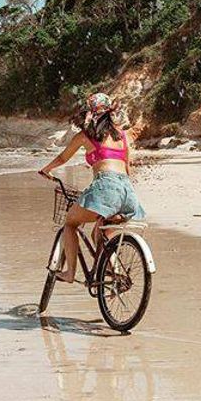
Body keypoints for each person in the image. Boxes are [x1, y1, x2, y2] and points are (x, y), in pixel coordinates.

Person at [38, 92, 145, 283]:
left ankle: (70, 274)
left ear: (90, 112)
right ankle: (116, 271)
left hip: (105, 187)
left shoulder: (86, 135)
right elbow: (127, 168)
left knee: (70, 223)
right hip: (127, 192)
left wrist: (47, 170)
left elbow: (63, 158)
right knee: (102, 231)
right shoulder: (122, 135)